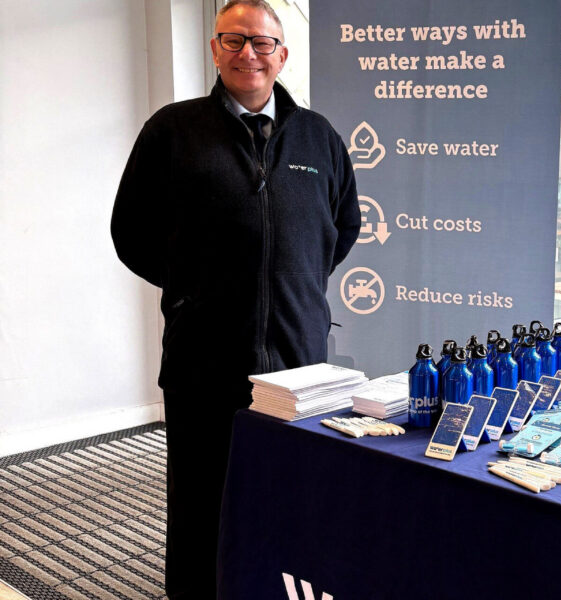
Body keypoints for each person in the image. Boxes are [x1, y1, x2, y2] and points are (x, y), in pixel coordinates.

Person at [110, 1, 360, 597]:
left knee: (288, 495)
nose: (249, 52)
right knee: (201, 502)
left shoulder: (318, 136)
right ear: (215, 49)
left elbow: (342, 227)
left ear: (282, 55)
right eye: (234, 39)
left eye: (262, 42)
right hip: (203, 360)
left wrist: (293, 284)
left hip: (297, 363)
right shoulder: (172, 131)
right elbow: (131, 233)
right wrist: (193, 291)